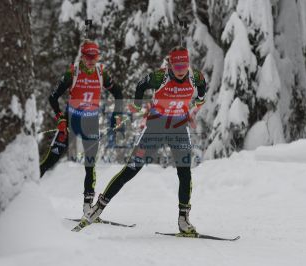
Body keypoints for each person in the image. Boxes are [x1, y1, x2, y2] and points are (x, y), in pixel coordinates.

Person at [81, 46, 207, 234]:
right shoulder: (160, 76)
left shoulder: (196, 77)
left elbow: (201, 96)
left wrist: (193, 111)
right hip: (156, 127)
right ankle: (97, 208)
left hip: (178, 128)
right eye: (177, 65)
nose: (181, 69)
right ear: (170, 64)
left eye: (184, 65)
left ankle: (183, 220)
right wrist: (137, 105)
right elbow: (141, 84)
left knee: (185, 173)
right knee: (131, 169)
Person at [40, 39, 123, 215]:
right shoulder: (73, 72)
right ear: (83, 57)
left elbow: (118, 92)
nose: (91, 60)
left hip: (90, 123)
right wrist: (60, 119)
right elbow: (53, 98)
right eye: (88, 56)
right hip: (70, 122)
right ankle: (26, 197)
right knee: (50, 161)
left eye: (95, 56)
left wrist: (117, 115)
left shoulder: (101, 73)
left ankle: (87, 207)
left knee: (90, 166)